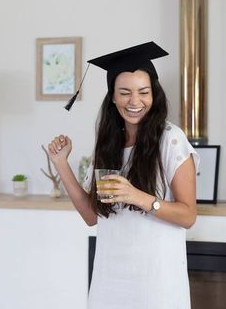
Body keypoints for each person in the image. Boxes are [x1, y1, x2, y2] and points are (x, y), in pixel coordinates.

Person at [47, 41, 200, 308]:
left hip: (156, 284)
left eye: (144, 92)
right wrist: (62, 164)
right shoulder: (108, 144)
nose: (135, 101)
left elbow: (188, 216)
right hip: (110, 280)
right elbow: (91, 216)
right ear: (113, 97)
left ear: (154, 96)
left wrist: (138, 196)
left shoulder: (171, 140)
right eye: (125, 92)